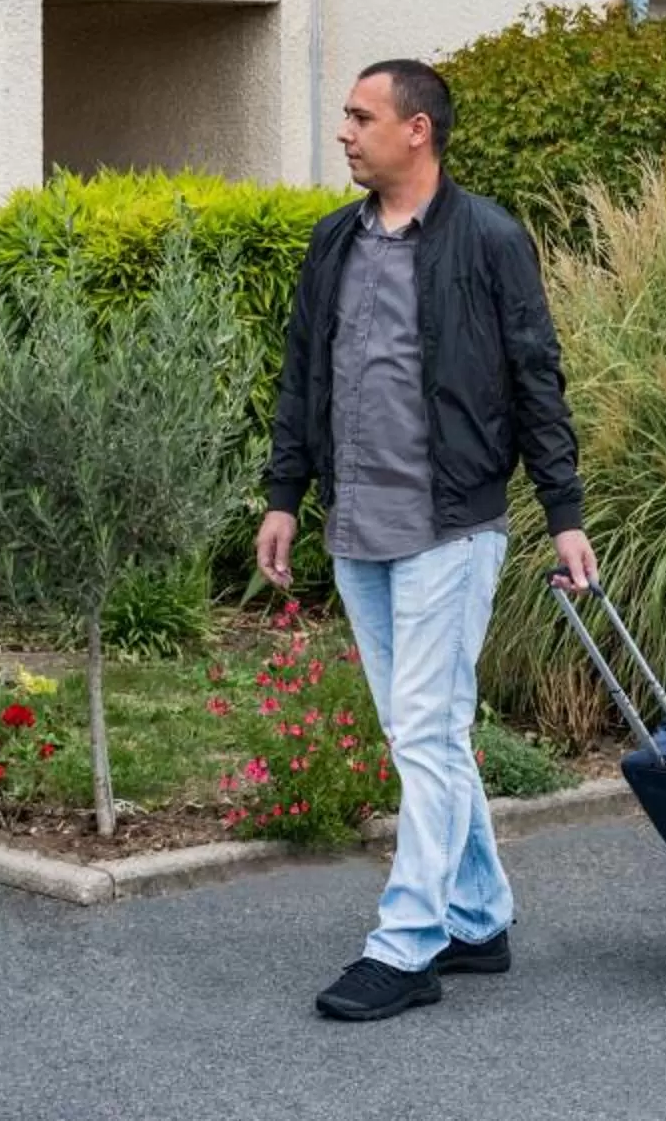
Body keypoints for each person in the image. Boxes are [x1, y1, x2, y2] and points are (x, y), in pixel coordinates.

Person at [256, 58, 597, 1022]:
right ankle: (479, 916)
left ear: (418, 131)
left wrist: (564, 516)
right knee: (424, 732)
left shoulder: (488, 240)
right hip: (358, 526)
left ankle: (408, 946)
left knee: (429, 731)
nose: (344, 132)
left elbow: (538, 381)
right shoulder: (335, 243)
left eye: (361, 117)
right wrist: (285, 495)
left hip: (450, 528)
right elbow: (301, 378)